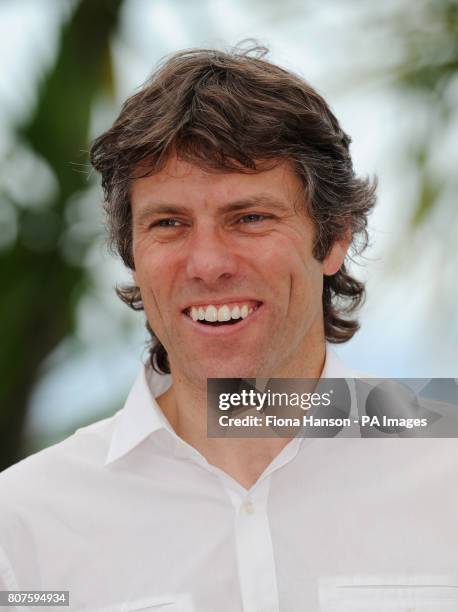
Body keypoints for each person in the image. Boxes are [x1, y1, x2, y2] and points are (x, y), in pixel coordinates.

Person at [0, 45, 457, 612]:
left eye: (250, 218)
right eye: (170, 223)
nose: (208, 263)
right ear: (132, 253)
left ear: (335, 237)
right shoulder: (22, 526)